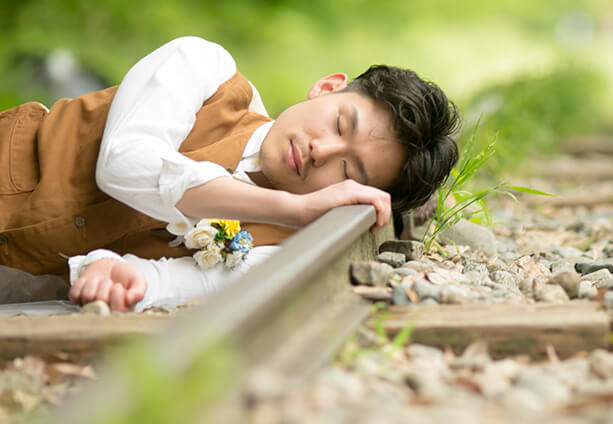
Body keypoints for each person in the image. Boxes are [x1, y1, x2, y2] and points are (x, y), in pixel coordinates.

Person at [0, 36, 460, 310]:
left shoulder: (281, 248)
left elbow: (170, 284)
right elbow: (123, 162)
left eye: (348, 169)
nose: (321, 150)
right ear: (326, 88)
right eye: (340, 124)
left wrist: (118, 272)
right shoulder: (204, 67)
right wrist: (290, 207)